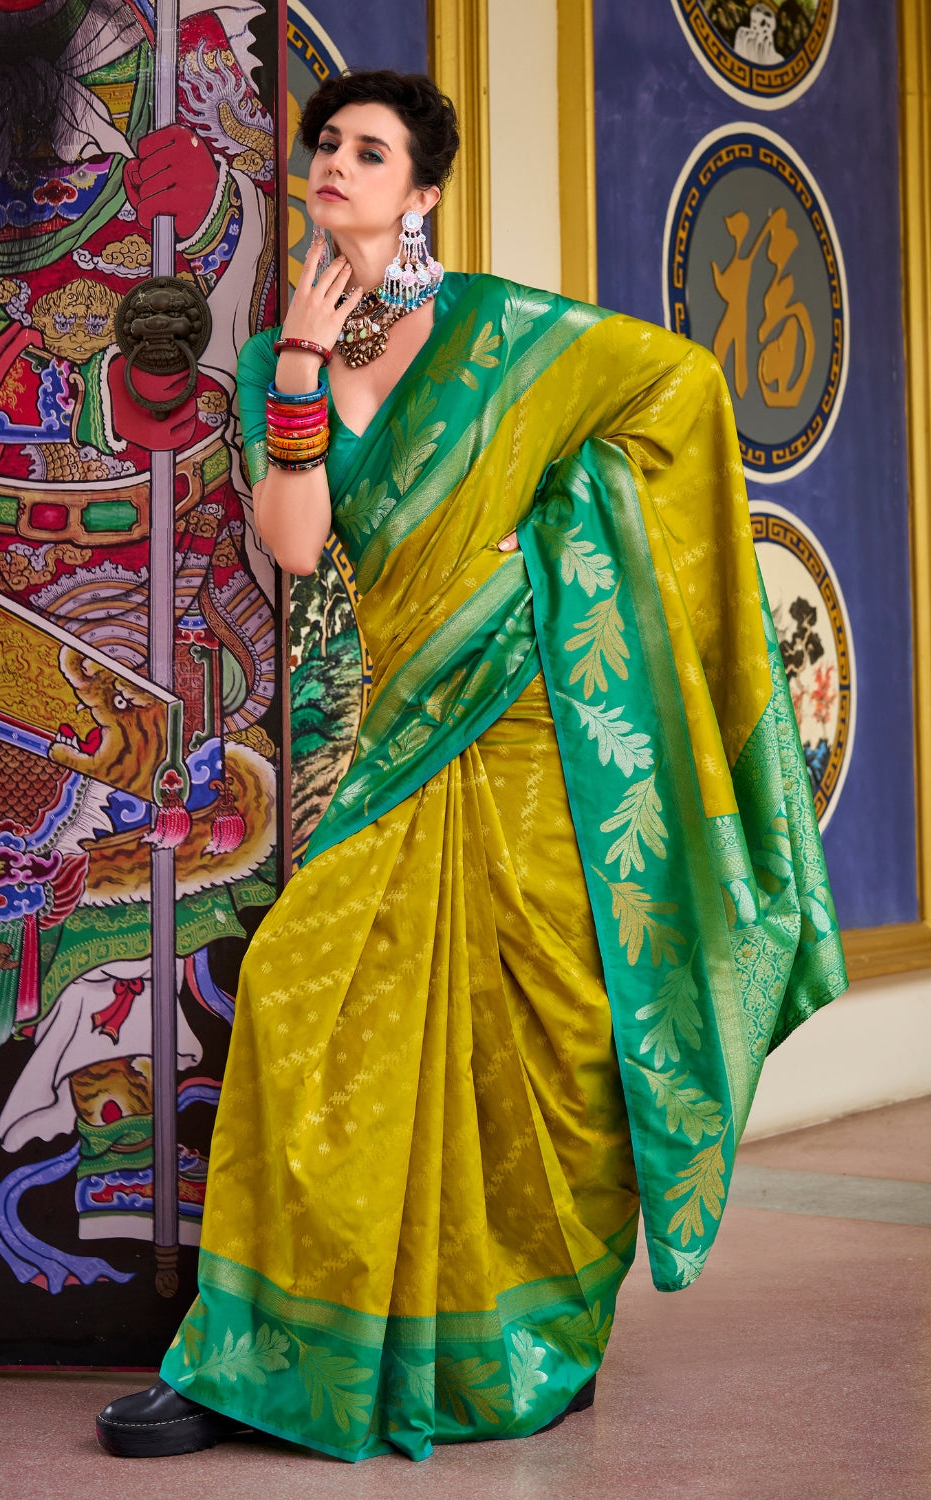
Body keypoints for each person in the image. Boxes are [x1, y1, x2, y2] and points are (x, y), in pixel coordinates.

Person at [96, 69, 847, 1463]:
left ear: (422, 191)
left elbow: (678, 394)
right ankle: (258, 1359)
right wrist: (309, 369)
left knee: (543, 1041)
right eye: (325, 145)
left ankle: (529, 1340)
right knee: (300, 985)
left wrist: (562, 549)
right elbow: (301, 544)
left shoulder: (509, 333)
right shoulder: (279, 358)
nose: (335, 165)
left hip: (536, 736)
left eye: (367, 151)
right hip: (403, 738)